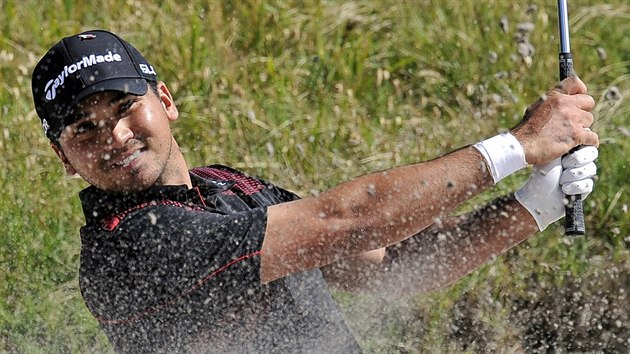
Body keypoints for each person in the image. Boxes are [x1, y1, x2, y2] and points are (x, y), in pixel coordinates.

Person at [31, 30, 599, 353]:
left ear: (166, 100)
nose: (116, 137)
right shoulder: (129, 245)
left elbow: (393, 268)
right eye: (84, 129)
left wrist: (532, 206)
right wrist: (516, 146)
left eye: (126, 107)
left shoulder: (227, 188)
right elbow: (347, 220)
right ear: (65, 157)